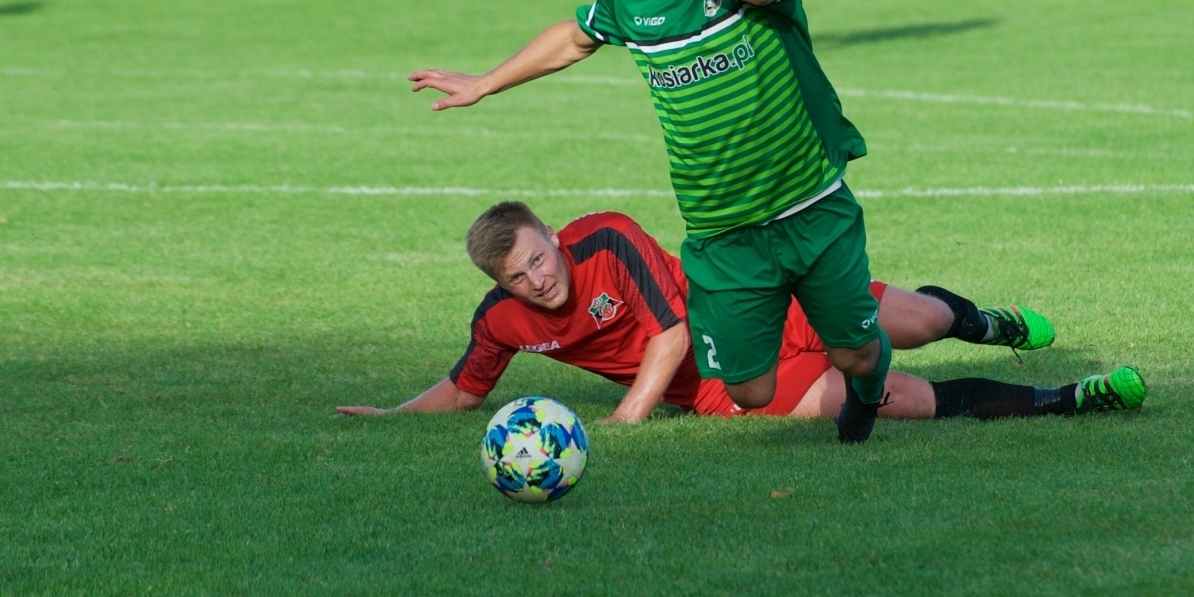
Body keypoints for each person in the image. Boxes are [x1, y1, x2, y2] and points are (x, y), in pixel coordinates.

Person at [409, 0, 960, 443]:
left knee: (857, 355)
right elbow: (573, 38)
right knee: (750, 391)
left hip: (806, 202)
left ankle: (870, 381)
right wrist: (486, 82)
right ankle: (860, 367)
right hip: (722, 225)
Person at [335, 203, 1147, 424]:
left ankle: (987, 323)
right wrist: (385, 414)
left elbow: (672, 331)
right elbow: (465, 388)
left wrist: (626, 417)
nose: (540, 280)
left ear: (554, 234)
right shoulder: (501, 321)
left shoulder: (609, 239)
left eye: (541, 257)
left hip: (764, 308)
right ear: (500, 285)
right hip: (729, 389)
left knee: (923, 325)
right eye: (520, 277)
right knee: (897, 401)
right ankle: (1070, 399)